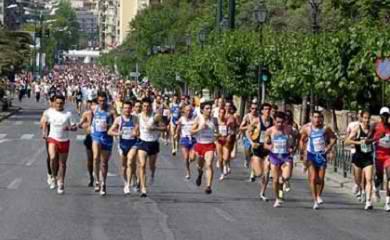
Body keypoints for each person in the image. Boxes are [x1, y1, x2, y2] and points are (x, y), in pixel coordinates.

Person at [299, 111, 337, 210]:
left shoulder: (325, 128)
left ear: (322, 119)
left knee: (320, 178)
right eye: (315, 117)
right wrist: (303, 152)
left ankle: (319, 195)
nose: (317, 119)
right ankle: (315, 199)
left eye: (319, 117)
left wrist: (329, 148)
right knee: (313, 178)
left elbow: (333, 138)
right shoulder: (307, 129)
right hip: (311, 155)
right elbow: (302, 139)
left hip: (321, 155)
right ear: (311, 118)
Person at [41, 94, 77, 194]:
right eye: (57, 103)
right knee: (52, 158)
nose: (59, 105)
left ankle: (61, 183)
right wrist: (44, 132)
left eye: (61, 103)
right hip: (53, 138)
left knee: (63, 164)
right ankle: (53, 176)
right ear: (54, 103)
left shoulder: (68, 114)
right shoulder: (49, 112)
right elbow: (44, 121)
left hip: (64, 140)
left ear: (64, 103)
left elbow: (75, 127)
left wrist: (69, 128)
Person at [136, 97, 166, 197]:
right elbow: (135, 128)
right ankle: (143, 188)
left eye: (148, 106)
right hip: (142, 142)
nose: (146, 108)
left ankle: (152, 174)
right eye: (144, 106)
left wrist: (154, 128)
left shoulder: (156, 116)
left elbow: (164, 128)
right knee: (142, 165)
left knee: (151, 165)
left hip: (153, 143)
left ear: (151, 106)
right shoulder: (138, 116)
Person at [264, 111, 294, 207]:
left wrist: (292, 146)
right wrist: (269, 147)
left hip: (285, 156)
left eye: (281, 122)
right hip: (274, 156)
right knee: (276, 180)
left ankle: (285, 181)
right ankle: (277, 198)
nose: (279, 124)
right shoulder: (270, 130)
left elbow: (297, 137)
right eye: (277, 122)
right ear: (274, 121)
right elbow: (265, 144)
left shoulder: (289, 129)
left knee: (286, 177)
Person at [108, 101, 139, 195]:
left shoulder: (135, 119)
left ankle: (128, 185)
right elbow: (109, 132)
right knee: (124, 166)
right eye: (125, 108)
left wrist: (136, 133)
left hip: (133, 143)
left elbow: (139, 131)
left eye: (129, 108)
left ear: (131, 109)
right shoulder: (119, 119)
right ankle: (129, 180)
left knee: (130, 161)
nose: (127, 110)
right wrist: (118, 133)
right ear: (122, 109)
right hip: (122, 145)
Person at [345, 111, 374, 210]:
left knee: (369, 179)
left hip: (368, 158)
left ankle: (368, 201)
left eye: (368, 118)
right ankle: (358, 186)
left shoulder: (371, 129)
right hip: (358, 157)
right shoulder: (357, 128)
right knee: (358, 180)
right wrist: (358, 142)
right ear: (361, 118)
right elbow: (347, 141)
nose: (367, 120)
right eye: (365, 118)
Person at [246, 103, 273, 201]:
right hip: (257, 148)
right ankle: (253, 163)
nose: (268, 111)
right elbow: (247, 132)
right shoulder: (257, 121)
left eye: (269, 109)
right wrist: (252, 143)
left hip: (267, 150)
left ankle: (263, 192)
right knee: (259, 174)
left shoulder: (273, 122)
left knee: (266, 172)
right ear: (262, 111)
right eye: (265, 109)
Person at [91, 92, 115, 196]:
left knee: (104, 163)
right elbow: (90, 119)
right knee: (96, 157)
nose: (102, 102)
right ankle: (97, 180)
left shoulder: (111, 110)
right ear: (97, 100)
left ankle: (103, 183)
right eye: (100, 100)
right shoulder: (94, 108)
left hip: (107, 138)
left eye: (104, 100)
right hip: (96, 136)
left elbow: (117, 122)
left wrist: (109, 124)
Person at [367, 107, 390, 211]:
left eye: (387, 115)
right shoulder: (375, 126)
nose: (385, 117)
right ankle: (376, 188)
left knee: (389, 177)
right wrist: (378, 138)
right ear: (380, 116)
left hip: (388, 155)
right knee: (379, 178)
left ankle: (388, 202)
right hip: (378, 155)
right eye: (383, 115)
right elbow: (367, 140)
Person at [191, 100, 217, 194]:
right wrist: (200, 128)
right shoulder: (198, 119)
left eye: (210, 108)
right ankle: (200, 173)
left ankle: (208, 186)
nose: (209, 110)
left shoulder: (214, 120)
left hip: (210, 145)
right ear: (202, 110)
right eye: (207, 108)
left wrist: (217, 135)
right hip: (200, 144)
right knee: (199, 166)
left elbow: (217, 131)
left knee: (209, 164)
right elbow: (191, 131)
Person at [78, 98, 96, 187]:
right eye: (91, 104)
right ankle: (91, 176)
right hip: (89, 138)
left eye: (94, 104)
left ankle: (98, 178)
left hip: (99, 138)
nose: (93, 106)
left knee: (97, 158)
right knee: (90, 159)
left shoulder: (102, 114)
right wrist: (87, 125)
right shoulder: (86, 114)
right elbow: (80, 125)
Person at [175, 105, 197, 179]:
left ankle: (189, 161)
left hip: (193, 140)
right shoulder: (181, 119)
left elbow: (197, 127)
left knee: (193, 157)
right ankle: (188, 172)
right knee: (186, 158)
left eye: (190, 111)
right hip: (184, 139)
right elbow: (178, 129)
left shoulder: (194, 119)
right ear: (184, 111)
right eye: (187, 110)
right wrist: (176, 135)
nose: (189, 112)